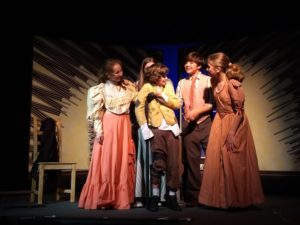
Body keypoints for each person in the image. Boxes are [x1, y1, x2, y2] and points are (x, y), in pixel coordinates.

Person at [199, 52, 264, 209]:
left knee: (232, 160)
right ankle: (219, 200)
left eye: (209, 66)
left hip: (234, 123)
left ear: (219, 68)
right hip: (219, 121)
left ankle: (238, 200)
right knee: (216, 159)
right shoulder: (215, 83)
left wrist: (232, 132)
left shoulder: (232, 84)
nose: (208, 69)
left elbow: (239, 111)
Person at [78, 59, 137, 210]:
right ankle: (104, 197)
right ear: (108, 74)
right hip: (109, 125)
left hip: (124, 125)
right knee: (108, 160)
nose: (120, 74)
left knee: (122, 160)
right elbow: (97, 114)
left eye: (121, 71)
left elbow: (138, 100)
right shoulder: (100, 89)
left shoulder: (129, 86)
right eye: (117, 72)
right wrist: (99, 131)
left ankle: (121, 198)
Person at [135, 62, 182, 211]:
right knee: (158, 163)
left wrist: (162, 96)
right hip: (156, 129)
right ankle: (155, 196)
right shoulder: (146, 87)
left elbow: (176, 104)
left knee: (174, 164)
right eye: (163, 76)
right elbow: (138, 107)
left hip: (171, 129)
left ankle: (171, 195)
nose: (166, 78)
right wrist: (144, 127)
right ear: (155, 76)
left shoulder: (168, 86)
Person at [176, 51, 214, 207]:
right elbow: (177, 103)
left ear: (199, 65)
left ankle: (212, 193)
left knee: (212, 159)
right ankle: (194, 196)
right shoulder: (182, 83)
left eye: (191, 62)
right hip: (188, 125)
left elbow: (212, 104)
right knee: (191, 161)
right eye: (186, 62)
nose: (187, 64)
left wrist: (196, 112)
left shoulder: (208, 80)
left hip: (205, 123)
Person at [134, 57, 167, 208]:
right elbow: (137, 107)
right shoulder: (137, 85)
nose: (150, 70)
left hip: (160, 127)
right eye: (147, 68)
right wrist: (143, 126)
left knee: (159, 160)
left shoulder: (163, 83)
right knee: (145, 160)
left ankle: (159, 195)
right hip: (144, 127)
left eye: (152, 67)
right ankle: (142, 196)